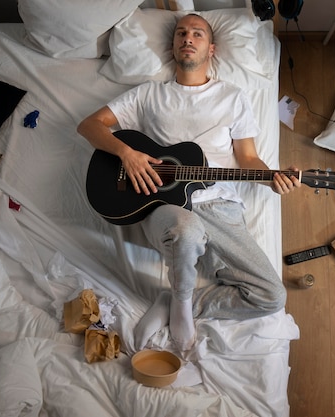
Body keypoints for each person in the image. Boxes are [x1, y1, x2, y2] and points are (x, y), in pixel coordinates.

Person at [77, 13, 300, 352]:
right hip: (164, 206)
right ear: (173, 45)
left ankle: (175, 302)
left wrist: (273, 178)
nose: (188, 38)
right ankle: (182, 302)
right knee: (187, 228)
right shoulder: (149, 94)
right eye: (181, 32)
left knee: (272, 296)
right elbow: (89, 125)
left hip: (220, 206)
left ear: (211, 49)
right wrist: (127, 154)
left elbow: (249, 159)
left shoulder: (233, 97)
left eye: (197, 33)